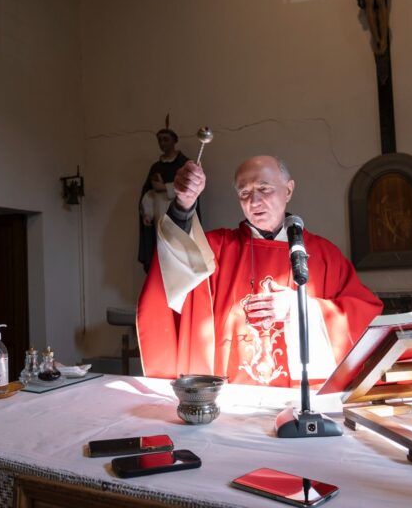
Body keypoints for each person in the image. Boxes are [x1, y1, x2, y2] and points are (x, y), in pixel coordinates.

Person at [137, 155, 383, 387]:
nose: (254, 201)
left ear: (288, 190)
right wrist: (183, 204)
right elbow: (176, 259)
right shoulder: (215, 249)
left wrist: (299, 309)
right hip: (230, 403)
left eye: (264, 189)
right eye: (244, 193)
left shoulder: (324, 255)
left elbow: (363, 318)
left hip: (298, 401)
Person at [137, 128, 196, 273]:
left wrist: (165, 187)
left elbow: (190, 190)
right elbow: (149, 192)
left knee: (177, 246)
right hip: (158, 212)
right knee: (161, 248)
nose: (162, 143)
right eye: (159, 140)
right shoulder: (156, 167)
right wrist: (147, 213)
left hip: (178, 213)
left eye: (166, 139)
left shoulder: (184, 164)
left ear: (174, 141)